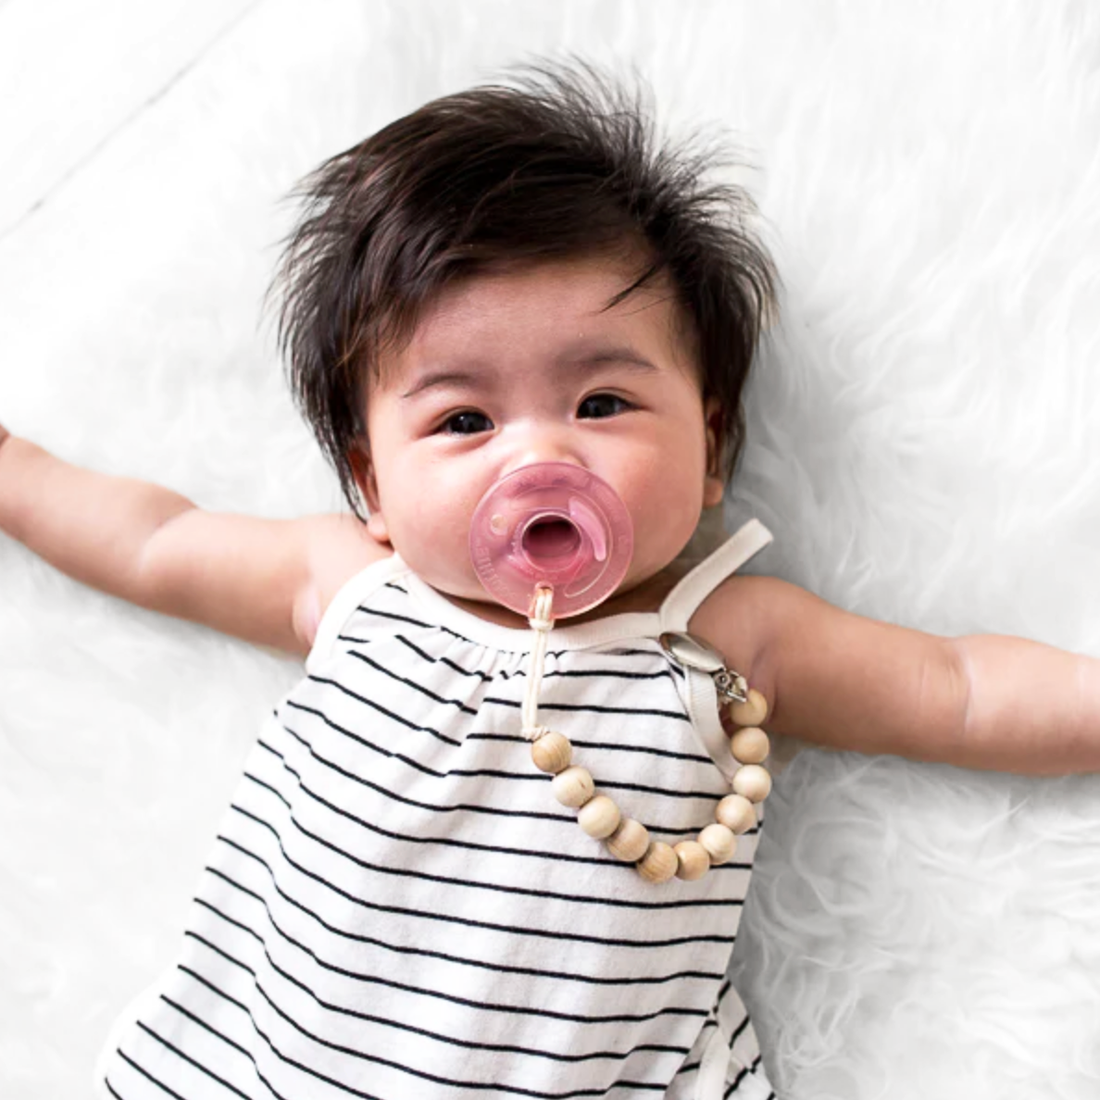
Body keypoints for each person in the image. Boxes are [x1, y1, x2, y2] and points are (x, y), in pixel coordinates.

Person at [1, 64, 1097, 1100]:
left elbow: (956, 687)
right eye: (463, 419)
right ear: (371, 483)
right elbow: (155, 540)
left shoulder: (723, 635)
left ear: (710, 447)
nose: (539, 455)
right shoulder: (351, 584)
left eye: (602, 403)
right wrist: (16, 473)